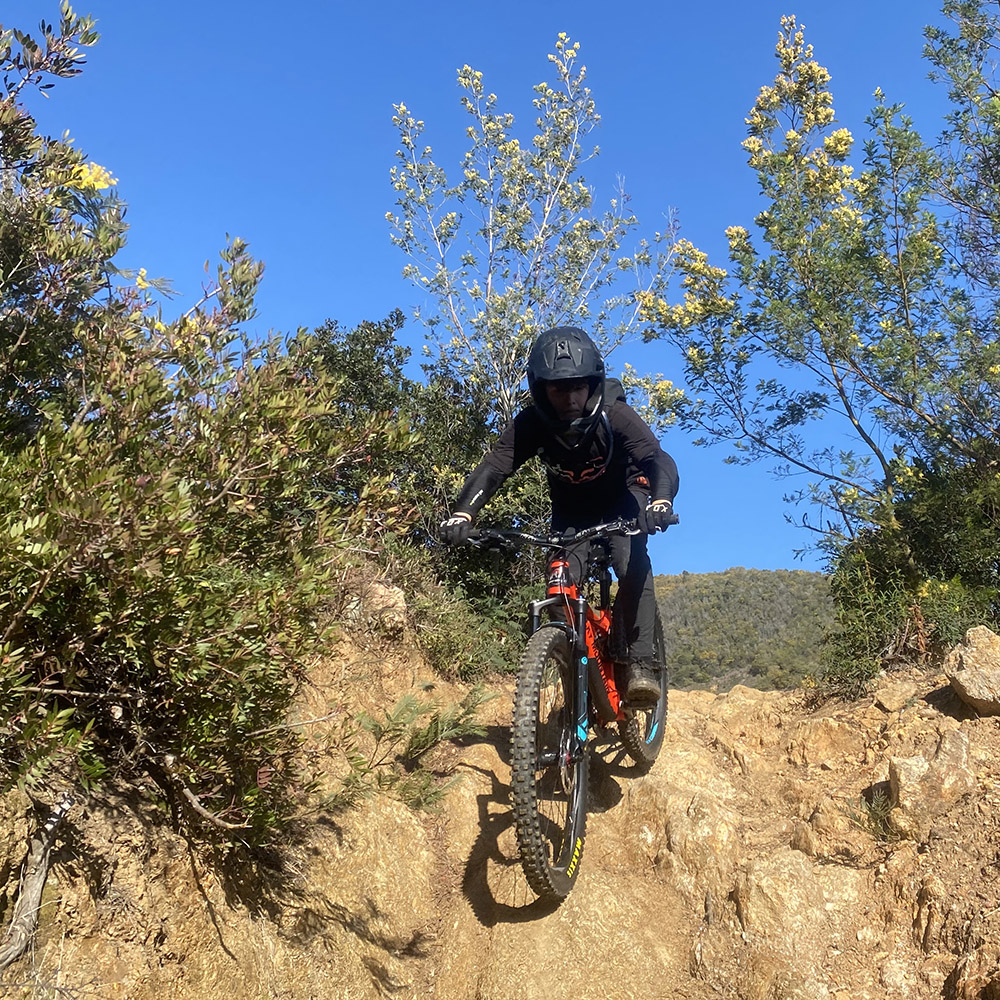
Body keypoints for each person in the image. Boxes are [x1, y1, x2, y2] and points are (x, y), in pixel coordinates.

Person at [439, 326, 679, 706]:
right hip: (573, 511)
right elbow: (495, 467)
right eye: (557, 389)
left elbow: (656, 458)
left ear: (592, 384)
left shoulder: (615, 415)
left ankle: (639, 663)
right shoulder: (531, 425)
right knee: (559, 586)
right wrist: (462, 514)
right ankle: (576, 683)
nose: (569, 398)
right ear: (541, 390)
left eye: (577, 387)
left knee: (629, 560)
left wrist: (660, 501)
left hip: (624, 498)